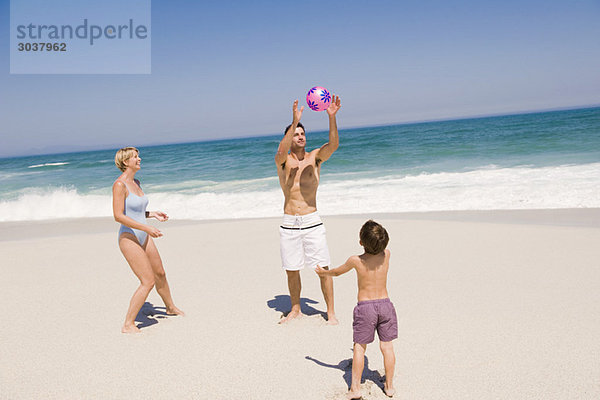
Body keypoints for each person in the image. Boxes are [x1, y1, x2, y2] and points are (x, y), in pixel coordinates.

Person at [275, 95, 342, 325]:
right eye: (296, 134)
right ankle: (295, 309)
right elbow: (280, 153)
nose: (300, 137)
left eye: (302, 133)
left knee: (323, 268)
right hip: (290, 223)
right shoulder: (284, 162)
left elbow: (333, 145)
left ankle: (330, 311)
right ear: (289, 137)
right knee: (292, 270)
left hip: (312, 220)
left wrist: (331, 117)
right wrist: (294, 121)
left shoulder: (315, 158)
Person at [316, 220, 397, 399]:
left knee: (359, 348)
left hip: (366, 308)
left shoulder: (356, 261)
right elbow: (381, 248)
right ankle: (389, 386)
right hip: (385, 305)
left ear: (361, 242)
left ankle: (355, 389)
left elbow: (336, 272)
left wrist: (323, 273)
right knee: (387, 347)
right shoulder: (387, 255)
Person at [112, 147, 184, 334]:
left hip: (143, 233)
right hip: (129, 236)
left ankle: (170, 307)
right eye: (135, 157)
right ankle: (128, 324)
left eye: (138, 156)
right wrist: (146, 228)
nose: (139, 159)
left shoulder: (136, 182)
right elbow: (118, 216)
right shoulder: (119, 185)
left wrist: (152, 214)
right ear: (126, 162)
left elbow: (134, 211)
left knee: (160, 273)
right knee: (147, 281)